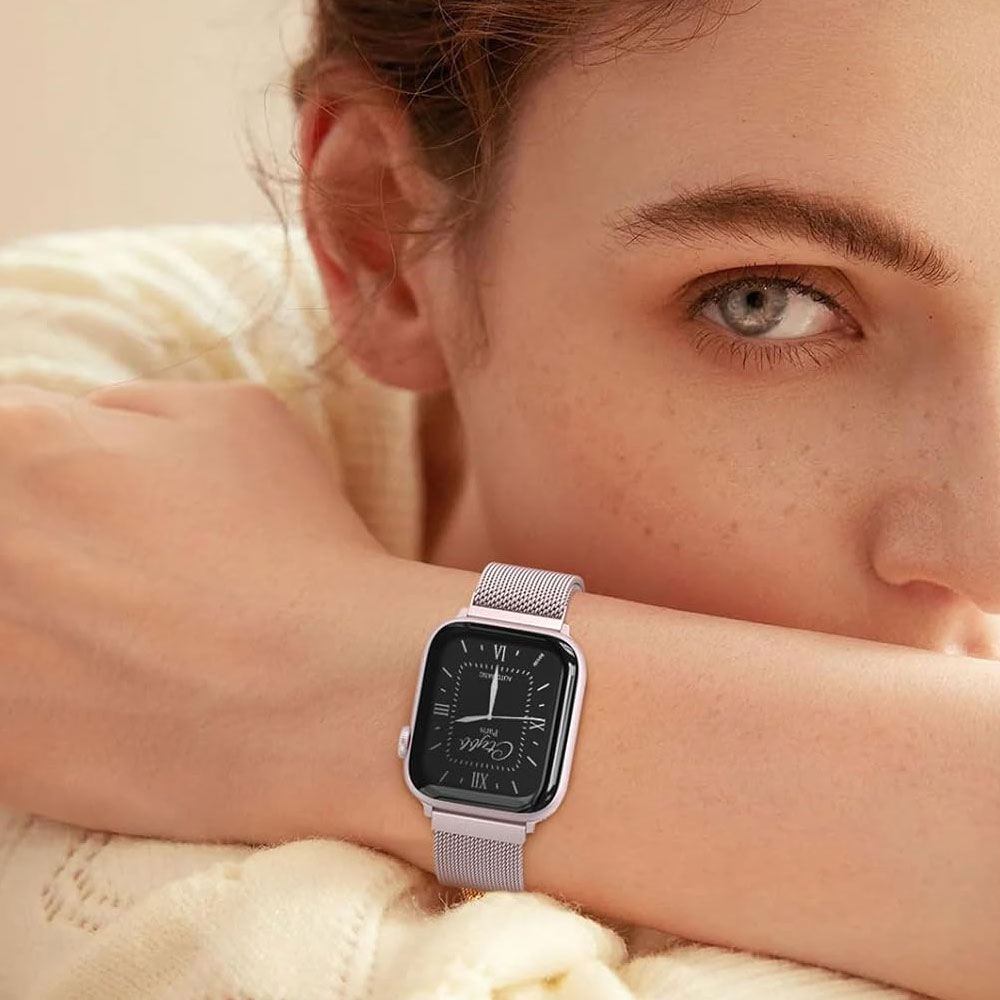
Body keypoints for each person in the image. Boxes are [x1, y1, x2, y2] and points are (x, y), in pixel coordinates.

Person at [1, 1, 999, 998]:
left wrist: (308, 665)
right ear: (386, 242)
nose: (985, 564)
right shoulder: (83, 391)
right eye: (764, 301)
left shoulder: (133, 646)